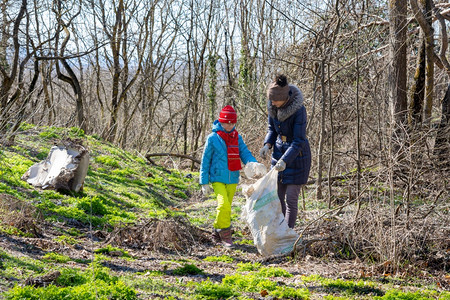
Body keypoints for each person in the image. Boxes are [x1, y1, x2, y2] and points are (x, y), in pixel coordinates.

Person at [200, 105, 265, 247]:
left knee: (226, 207)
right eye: (226, 122)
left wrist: (253, 163)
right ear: (221, 121)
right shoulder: (212, 138)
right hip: (217, 178)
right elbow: (205, 160)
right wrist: (204, 182)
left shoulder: (237, 137)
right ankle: (226, 235)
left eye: (232, 123)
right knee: (223, 205)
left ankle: (216, 231)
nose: (229, 125)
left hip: (233, 177)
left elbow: (245, 152)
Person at [259, 74, 311, 229]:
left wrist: (285, 160)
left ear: (284, 98)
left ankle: (288, 234)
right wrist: (267, 144)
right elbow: (271, 129)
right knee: (278, 197)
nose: (272, 103)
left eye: (275, 100)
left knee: (291, 200)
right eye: (271, 100)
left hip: (297, 159)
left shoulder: (299, 110)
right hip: (278, 155)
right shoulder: (272, 107)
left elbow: (299, 140)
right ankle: (279, 230)